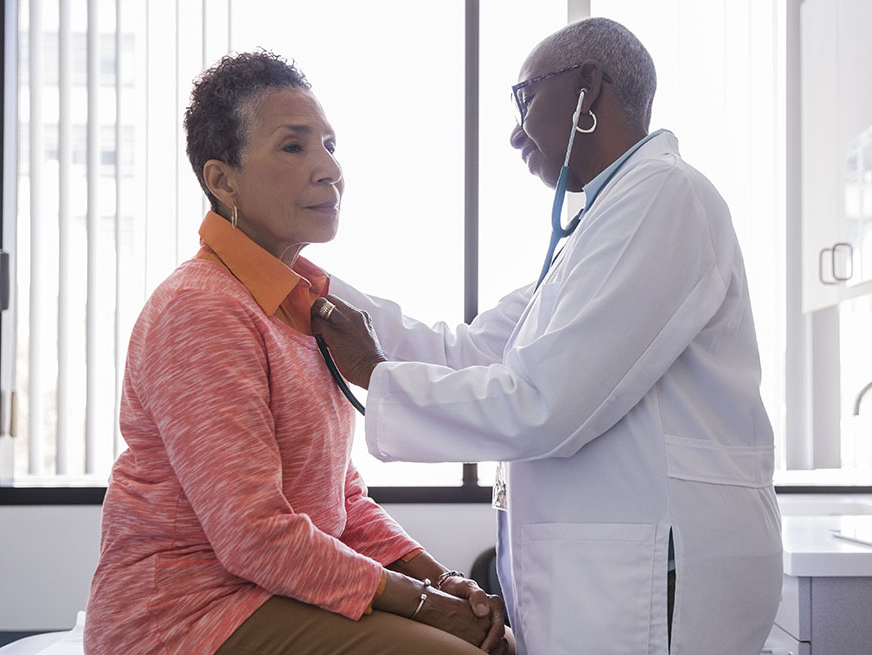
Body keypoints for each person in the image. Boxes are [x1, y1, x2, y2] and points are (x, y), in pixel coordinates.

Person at [312, 17, 783, 655]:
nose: (515, 132)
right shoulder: (600, 227)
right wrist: (309, 282)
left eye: (526, 99)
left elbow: (546, 402)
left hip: (658, 573)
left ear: (588, 86)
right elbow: (466, 352)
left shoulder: (664, 195)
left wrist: (373, 372)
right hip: (612, 570)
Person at [84, 51, 510, 655]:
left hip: (273, 594)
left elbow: (340, 496)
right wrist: (423, 604)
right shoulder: (201, 309)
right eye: (293, 147)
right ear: (222, 181)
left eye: (330, 146)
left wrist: (442, 581)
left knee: (499, 643)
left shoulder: (302, 304)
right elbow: (254, 536)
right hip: (186, 615)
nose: (329, 169)